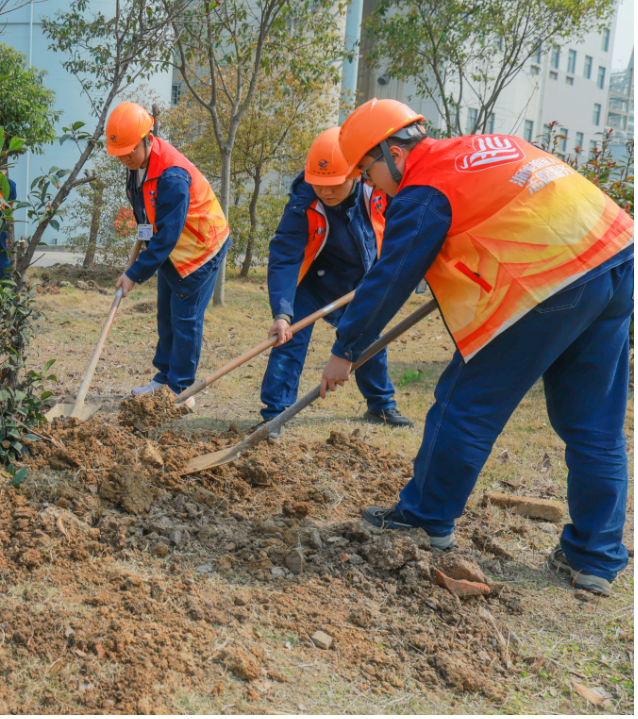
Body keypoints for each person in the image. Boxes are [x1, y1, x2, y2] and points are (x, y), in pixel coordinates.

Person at [318, 98, 634, 596]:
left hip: (548, 279)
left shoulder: (424, 188)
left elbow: (391, 278)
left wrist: (347, 348)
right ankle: (594, 558)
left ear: (392, 152)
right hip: (613, 254)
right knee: (594, 424)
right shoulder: (483, 147)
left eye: (366, 168)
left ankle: (424, 520)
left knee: (464, 404)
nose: (368, 182)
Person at [258, 127, 412, 439]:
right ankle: (274, 416)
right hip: (311, 285)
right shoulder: (302, 203)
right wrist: (282, 313)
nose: (326, 192)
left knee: (368, 343)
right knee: (289, 342)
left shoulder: (379, 189)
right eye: (319, 184)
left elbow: (403, 233)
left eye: (334, 184)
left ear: (356, 173)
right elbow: (285, 256)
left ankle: (380, 405)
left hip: (359, 282)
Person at [109, 101, 230, 403]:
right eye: (120, 153)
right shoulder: (137, 165)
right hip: (172, 250)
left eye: (130, 151)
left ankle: (181, 390)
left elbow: (167, 237)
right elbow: (148, 215)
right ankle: (163, 377)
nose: (125, 157)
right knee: (166, 314)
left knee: (185, 319)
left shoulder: (172, 176)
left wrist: (134, 273)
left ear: (147, 139)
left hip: (200, 249)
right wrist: (142, 232)